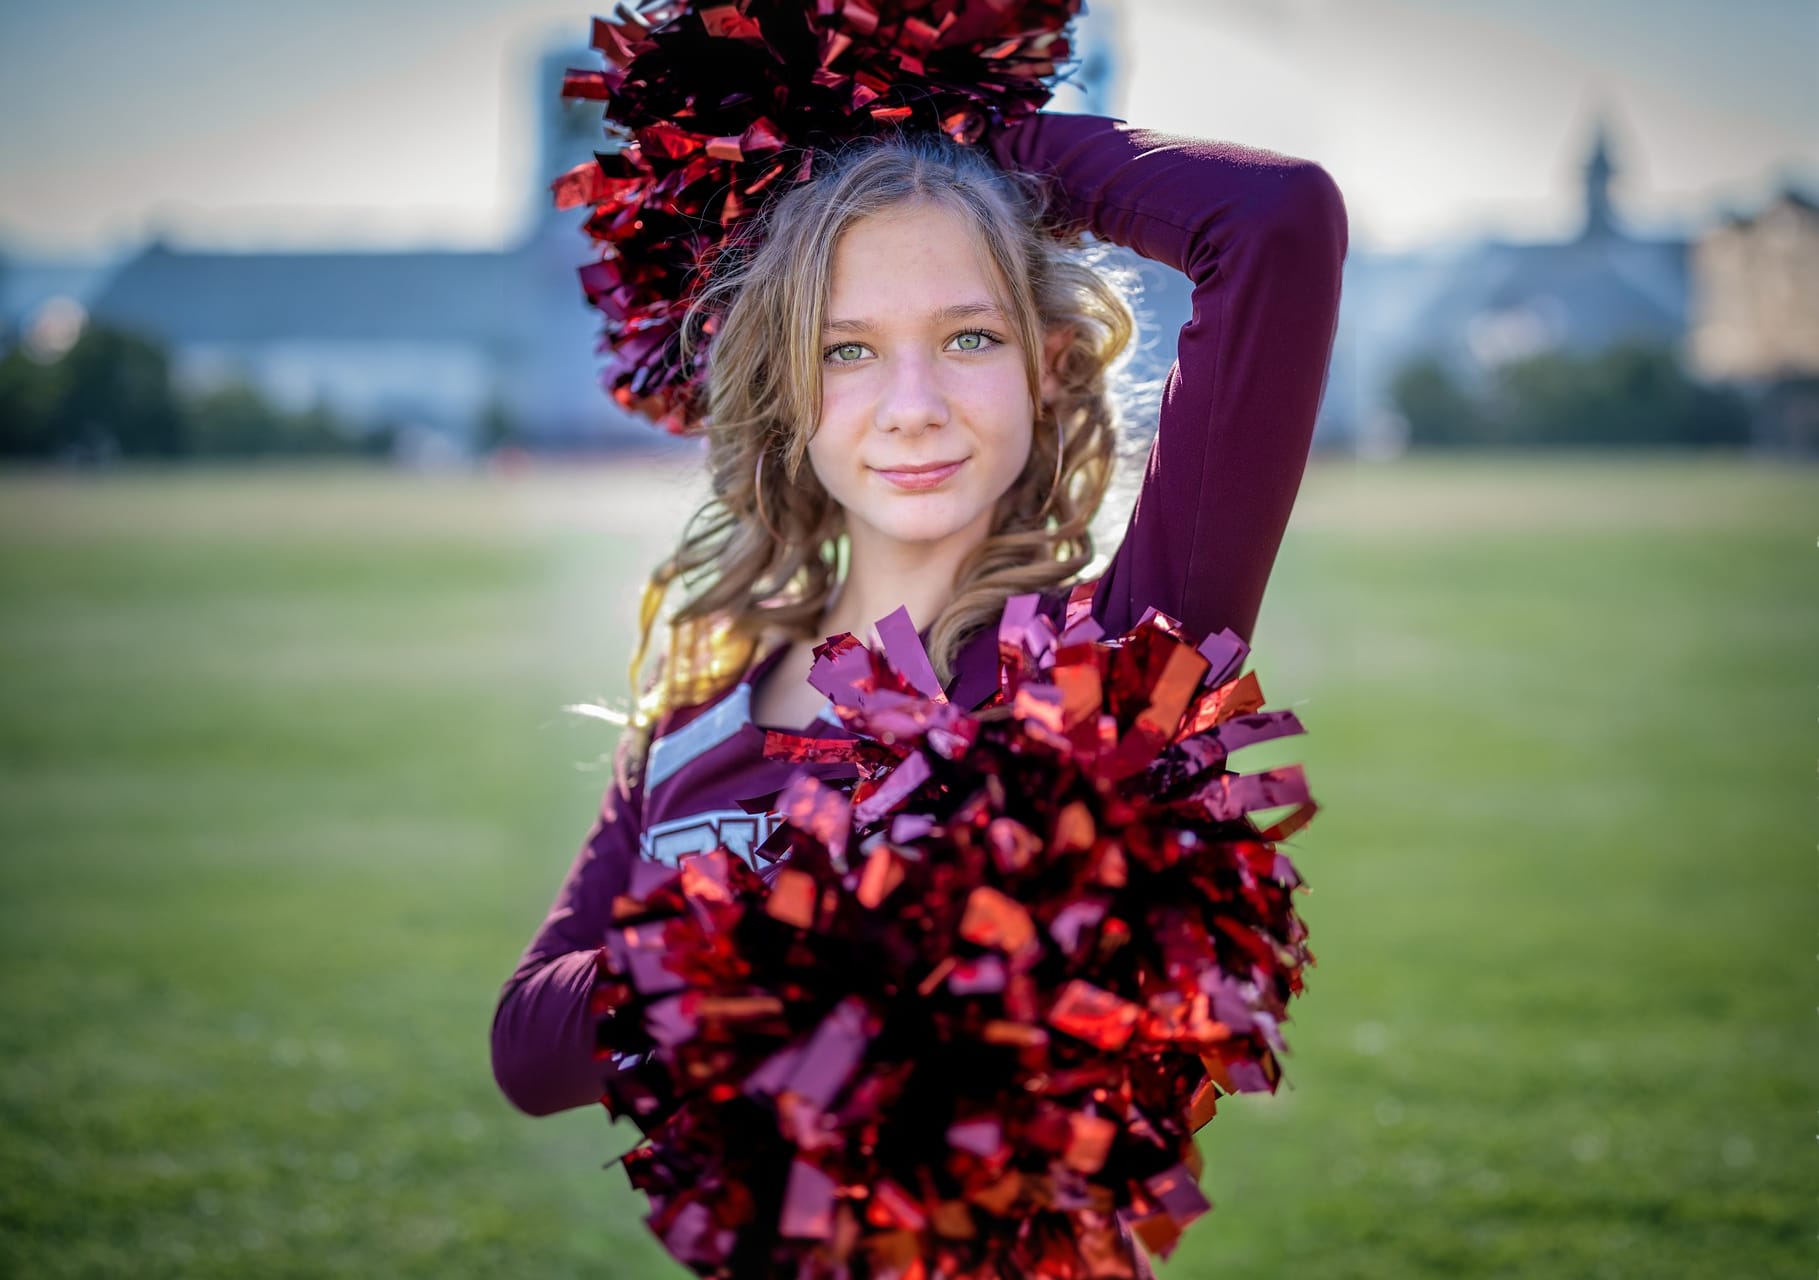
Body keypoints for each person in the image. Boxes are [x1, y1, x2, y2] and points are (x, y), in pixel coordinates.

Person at [491, 109, 1348, 1119]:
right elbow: (528, 1050)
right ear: (784, 389)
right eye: (846, 350)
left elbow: (1274, 222)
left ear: (1049, 367)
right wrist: (784, 937)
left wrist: (960, 132)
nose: (913, 403)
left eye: (968, 336)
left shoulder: (1104, 670)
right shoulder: (692, 725)